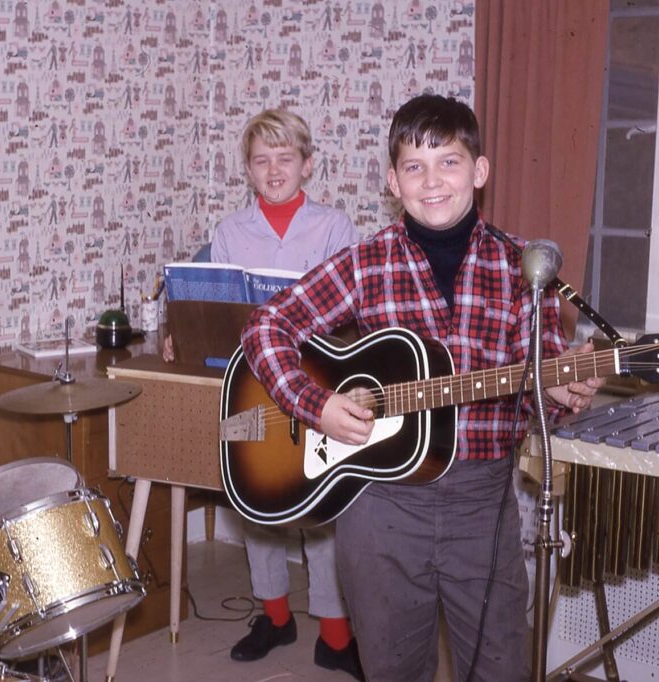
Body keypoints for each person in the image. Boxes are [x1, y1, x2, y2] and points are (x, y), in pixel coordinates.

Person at [238, 94, 601, 681]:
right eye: (414, 166)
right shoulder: (365, 262)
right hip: (381, 506)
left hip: (483, 506)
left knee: (501, 668)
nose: (433, 182)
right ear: (393, 181)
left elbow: (540, 391)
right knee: (392, 670)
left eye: (450, 163)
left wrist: (559, 393)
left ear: (479, 172)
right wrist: (317, 403)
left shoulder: (521, 268)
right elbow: (268, 325)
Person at [213, 109, 364, 679]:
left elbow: (351, 315)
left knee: (322, 502)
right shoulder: (229, 230)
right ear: (248, 170)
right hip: (247, 388)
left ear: (307, 163)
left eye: (285, 158)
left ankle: (334, 632)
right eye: (261, 160)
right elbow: (224, 313)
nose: (274, 170)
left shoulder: (334, 226)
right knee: (252, 495)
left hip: (316, 389)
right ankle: (275, 616)